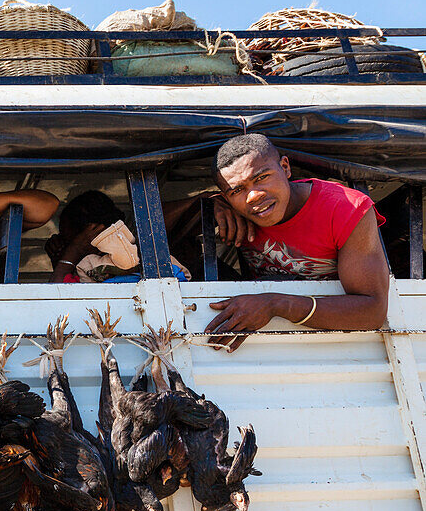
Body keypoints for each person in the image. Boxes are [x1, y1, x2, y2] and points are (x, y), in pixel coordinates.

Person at [201, 133, 389, 351]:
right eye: (237, 190)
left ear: (285, 167)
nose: (253, 196)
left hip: (344, 348)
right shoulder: (235, 210)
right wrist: (203, 202)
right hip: (262, 350)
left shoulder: (345, 208)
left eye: (261, 178)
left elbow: (373, 311)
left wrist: (276, 304)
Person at [46, 190, 190, 283]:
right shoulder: (88, 269)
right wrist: (59, 259)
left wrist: (72, 253)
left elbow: (57, 299)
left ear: (92, 233)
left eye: (69, 239)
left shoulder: (128, 261)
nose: (65, 245)